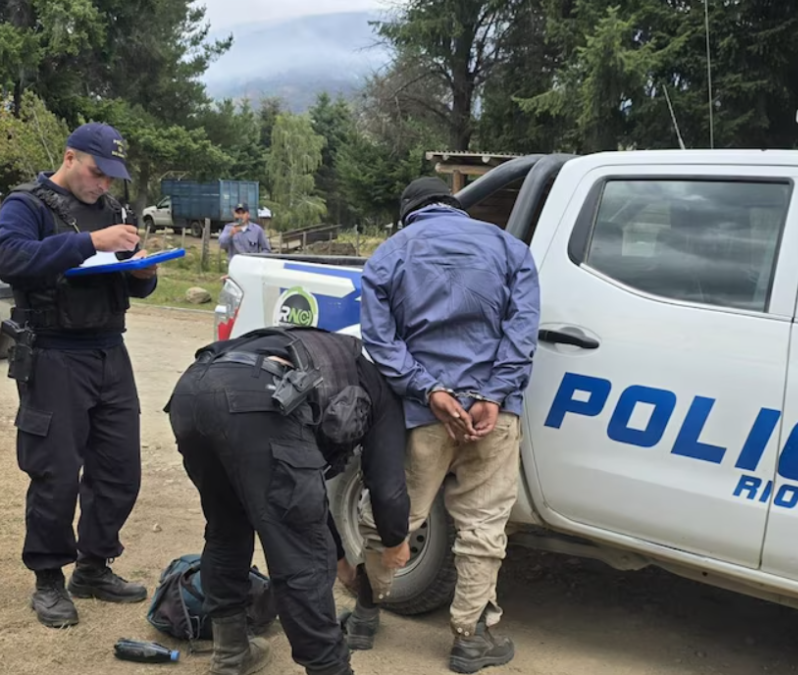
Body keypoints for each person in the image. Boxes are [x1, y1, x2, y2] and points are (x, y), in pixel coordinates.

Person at [349, 176, 540, 673]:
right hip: (492, 418)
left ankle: (366, 614)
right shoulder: (510, 248)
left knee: (391, 518)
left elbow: (380, 340)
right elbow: (522, 333)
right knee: (483, 525)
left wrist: (429, 390)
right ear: (455, 207)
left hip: (421, 416)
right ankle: (469, 639)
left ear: (409, 213)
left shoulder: (390, 254)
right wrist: (494, 395)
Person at [166, 324, 412, 675]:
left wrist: (341, 558)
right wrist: (395, 539)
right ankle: (330, 670)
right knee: (302, 555)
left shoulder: (327, 350)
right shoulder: (380, 386)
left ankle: (231, 654)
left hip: (192, 392)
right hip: (259, 398)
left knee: (226, 526)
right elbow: (387, 485)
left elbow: (304, 493)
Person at [0, 122, 159, 629]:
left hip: (110, 351)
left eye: (112, 178)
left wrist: (143, 273)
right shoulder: (26, 205)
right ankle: (48, 578)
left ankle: (93, 566)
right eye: (97, 174)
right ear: (70, 158)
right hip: (53, 353)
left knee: (119, 470)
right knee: (55, 474)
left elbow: (131, 285)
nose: (104, 186)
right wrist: (90, 241)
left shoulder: (113, 211)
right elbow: (11, 258)